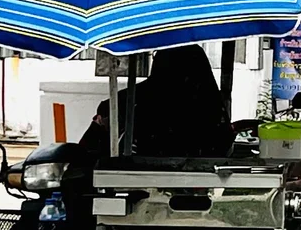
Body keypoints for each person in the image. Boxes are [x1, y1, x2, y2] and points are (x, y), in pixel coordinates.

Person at [79, 45, 232, 158]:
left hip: (143, 174)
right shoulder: (209, 106)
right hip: (199, 165)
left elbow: (85, 152)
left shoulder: (131, 101)